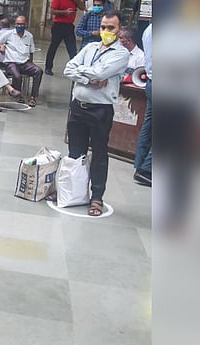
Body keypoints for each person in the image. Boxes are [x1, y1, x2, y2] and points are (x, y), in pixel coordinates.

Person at [63, 11, 130, 216]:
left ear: (120, 30)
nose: (106, 31)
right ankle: (75, 193)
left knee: (99, 153)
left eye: (111, 28)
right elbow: (68, 69)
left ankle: (97, 197)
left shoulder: (121, 53)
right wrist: (89, 79)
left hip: (100, 110)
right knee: (75, 154)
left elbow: (102, 73)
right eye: (103, 27)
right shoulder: (90, 47)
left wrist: (84, 72)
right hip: (78, 107)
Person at [0, 15, 43, 108]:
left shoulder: (29, 36)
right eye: (18, 24)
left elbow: (31, 51)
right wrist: (1, 46)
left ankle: (33, 97)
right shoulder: (9, 34)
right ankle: (18, 95)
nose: (20, 26)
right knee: (17, 75)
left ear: (26, 25)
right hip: (11, 62)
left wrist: (31, 63)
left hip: (25, 62)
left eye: (22, 24)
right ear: (15, 25)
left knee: (38, 71)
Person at [44, 0, 85, 75]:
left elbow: (82, 7)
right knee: (53, 47)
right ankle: (48, 67)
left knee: (72, 48)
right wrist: (65, 12)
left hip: (69, 26)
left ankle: (75, 68)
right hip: (58, 25)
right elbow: (53, 11)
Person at [133, 24, 152, 186]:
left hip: (152, 82)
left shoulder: (149, 30)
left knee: (149, 126)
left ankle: (140, 165)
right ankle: (147, 169)